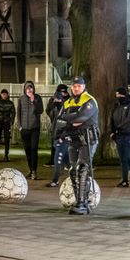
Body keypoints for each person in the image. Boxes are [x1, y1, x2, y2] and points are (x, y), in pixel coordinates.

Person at [55, 76, 99, 215]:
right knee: (73, 171)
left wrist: (69, 119)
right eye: (74, 86)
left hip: (88, 140)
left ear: (84, 86)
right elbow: (59, 120)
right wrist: (72, 121)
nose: (76, 88)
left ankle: (81, 204)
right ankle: (82, 201)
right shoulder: (67, 102)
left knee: (82, 168)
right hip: (73, 140)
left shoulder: (89, 100)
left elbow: (82, 118)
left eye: (79, 86)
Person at [110, 86, 130, 187]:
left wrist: (118, 129)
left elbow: (129, 120)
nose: (118, 97)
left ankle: (129, 178)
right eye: (117, 95)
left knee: (126, 156)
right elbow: (112, 120)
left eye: (120, 95)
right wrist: (113, 132)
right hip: (120, 136)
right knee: (125, 157)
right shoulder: (116, 106)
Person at [17, 81, 44, 180]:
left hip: (34, 129)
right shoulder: (21, 99)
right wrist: (20, 126)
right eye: (27, 88)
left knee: (33, 149)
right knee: (27, 150)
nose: (29, 90)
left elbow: (40, 110)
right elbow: (18, 112)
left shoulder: (37, 98)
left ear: (33, 88)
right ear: (24, 89)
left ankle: (34, 171)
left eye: (31, 87)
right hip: (24, 129)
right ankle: (30, 169)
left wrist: (34, 101)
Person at [46, 84, 70, 188]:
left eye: (64, 92)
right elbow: (49, 112)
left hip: (64, 135)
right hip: (56, 133)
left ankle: (55, 180)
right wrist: (54, 104)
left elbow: (68, 119)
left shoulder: (69, 103)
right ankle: (74, 173)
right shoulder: (54, 104)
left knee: (58, 158)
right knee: (67, 160)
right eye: (60, 93)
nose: (62, 95)